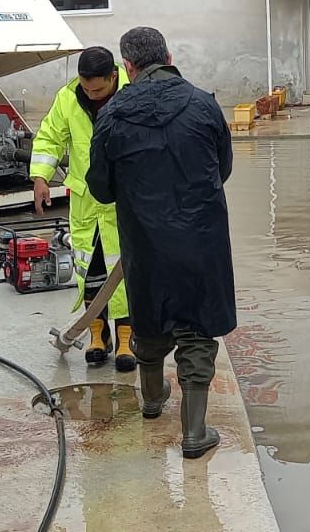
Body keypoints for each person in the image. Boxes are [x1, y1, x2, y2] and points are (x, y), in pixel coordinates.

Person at [86, 26, 236, 459]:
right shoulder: (204, 105)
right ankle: (194, 432)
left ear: (127, 67)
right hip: (201, 239)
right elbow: (221, 168)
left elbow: (100, 188)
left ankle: (152, 400)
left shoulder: (110, 116)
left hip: (145, 242)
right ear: (169, 56)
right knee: (197, 330)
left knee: (149, 318)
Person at [29, 47, 136, 372]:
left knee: (126, 272)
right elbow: (50, 137)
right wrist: (40, 177)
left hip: (123, 200)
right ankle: (96, 336)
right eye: (86, 88)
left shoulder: (134, 92)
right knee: (90, 270)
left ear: (113, 77)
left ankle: (126, 338)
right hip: (86, 202)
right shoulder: (68, 98)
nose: (91, 95)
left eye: (98, 90)